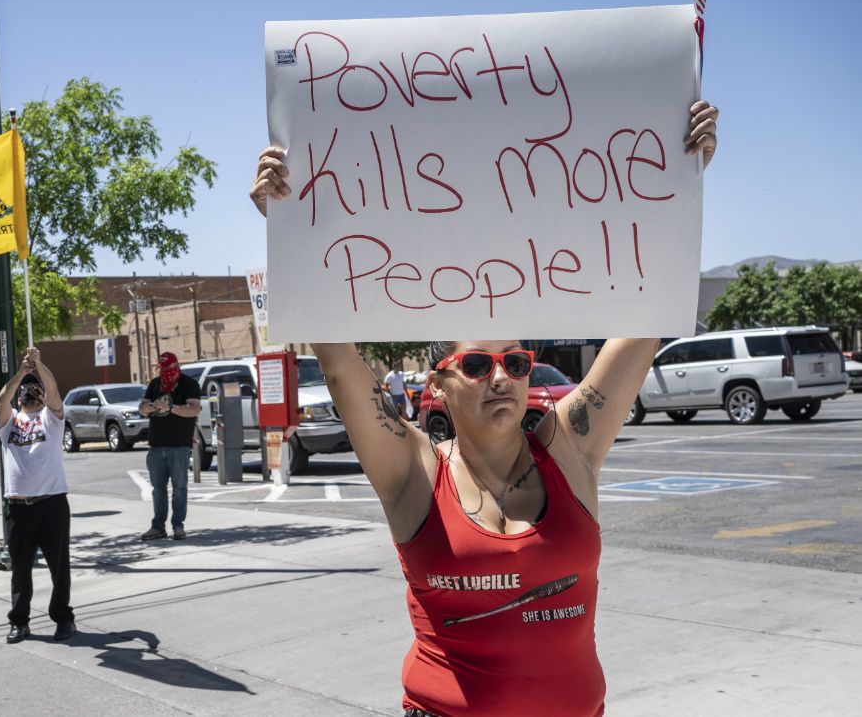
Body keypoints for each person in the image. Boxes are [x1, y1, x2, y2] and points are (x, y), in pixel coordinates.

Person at [250, 101, 719, 716]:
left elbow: (645, 323)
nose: (501, 376)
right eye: (477, 364)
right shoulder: (412, 472)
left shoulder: (569, 449)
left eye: (516, 362)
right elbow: (340, 366)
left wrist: (682, 179)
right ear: (438, 384)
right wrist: (287, 229)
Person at [0, 347, 74, 644]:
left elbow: (53, 388)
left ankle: (63, 619)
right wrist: (22, 373)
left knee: (59, 566)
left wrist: (39, 366)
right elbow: (2, 398)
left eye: (35, 390)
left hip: (51, 503)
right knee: (20, 569)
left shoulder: (51, 420)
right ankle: (19, 621)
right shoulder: (10, 422)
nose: (30, 393)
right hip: (18, 507)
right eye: (25, 391)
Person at [137, 352, 201, 541]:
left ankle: (178, 526)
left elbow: (194, 409)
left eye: (169, 370)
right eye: (162, 369)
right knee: (158, 489)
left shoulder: (189, 384)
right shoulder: (155, 384)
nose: (165, 373)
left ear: (176, 367)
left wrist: (171, 408)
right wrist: (147, 408)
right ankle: (158, 527)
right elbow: (141, 407)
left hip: (179, 445)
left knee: (180, 487)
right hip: (156, 446)